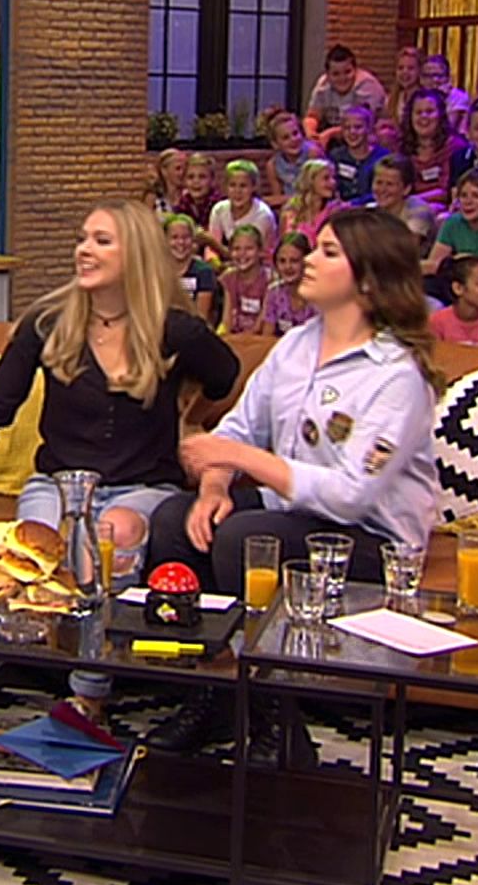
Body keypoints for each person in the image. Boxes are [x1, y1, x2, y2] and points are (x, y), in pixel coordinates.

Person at [0, 200, 240, 721]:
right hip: (56, 483)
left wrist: (188, 416)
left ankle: (88, 696)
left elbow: (225, 378)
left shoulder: (176, 331)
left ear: (137, 254)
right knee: (30, 559)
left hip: (143, 488)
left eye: (102, 241)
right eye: (83, 238)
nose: (84, 250)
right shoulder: (48, 324)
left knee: (111, 537)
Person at [145, 207, 443, 765]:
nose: (308, 260)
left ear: (369, 279)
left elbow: (350, 495)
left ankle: (279, 725)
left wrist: (239, 459)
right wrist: (214, 487)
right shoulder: (298, 344)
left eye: (329, 253)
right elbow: (237, 428)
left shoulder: (396, 376)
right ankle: (210, 691)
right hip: (294, 512)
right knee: (172, 521)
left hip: (373, 538)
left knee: (246, 541)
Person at [303, 44, 388, 149]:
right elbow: (312, 116)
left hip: (367, 137)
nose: (342, 78)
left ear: (356, 70)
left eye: (347, 72)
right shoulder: (322, 86)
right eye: (336, 74)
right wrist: (311, 133)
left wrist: (330, 134)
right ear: (327, 75)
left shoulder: (367, 86)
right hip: (334, 137)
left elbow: (362, 124)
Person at [402, 88, 462, 207]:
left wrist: (409, 200)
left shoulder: (455, 147)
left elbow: (447, 191)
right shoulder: (402, 149)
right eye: (418, 112)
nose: (424, 116)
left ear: (441, 115)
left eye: (429, 111)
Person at [367, 153, 438, 254]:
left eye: (389, 184)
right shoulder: (370, 210)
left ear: (406, 189)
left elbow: (405, 250)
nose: (382, 190)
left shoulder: (419, 211)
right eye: (379, 183)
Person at [207, 158, 276, 257]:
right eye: (232, 185)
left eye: (243, 186)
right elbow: (211, 249)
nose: (237, 191)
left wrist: (213, 243)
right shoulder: (219, 210)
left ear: (254, 187)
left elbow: (255, 255)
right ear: (225, 187)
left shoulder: (263, 215)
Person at [260, 110, 322, 208]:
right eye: (286, 138)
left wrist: (287, 199)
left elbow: (319, 193)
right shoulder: (273, 166)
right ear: (275, 144)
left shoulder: (313, 154)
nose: (293, 139)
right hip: (291, 208)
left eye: (295, 133)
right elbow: (278, 199)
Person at [327, 103, 387, 203]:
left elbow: (384, 191)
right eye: (347, 128)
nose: (352, 132)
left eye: (358, 127)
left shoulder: (382, 157)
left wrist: (353, 204)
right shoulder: (335, 156)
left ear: (369, 129)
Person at [165, 213, 218, 324]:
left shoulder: (204, 272)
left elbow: (201, 317)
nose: (181, 242)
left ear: (193, 240)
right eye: (174, 237)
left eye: (185, 237)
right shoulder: (158, 272)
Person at [259, 232, 315, 336]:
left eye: (294, 261)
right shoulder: (274, 292)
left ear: (306, 262)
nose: (287, 267)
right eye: (282, 261)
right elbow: (267, 336)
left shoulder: (319, 297)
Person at [220, 224, 273, 335]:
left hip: (259, 338)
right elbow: (226, 321)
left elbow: (260, 325)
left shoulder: (270, 280)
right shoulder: (228, 278)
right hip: (234, 336)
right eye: (236, 249)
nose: (242, 254)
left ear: (260, 251)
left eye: (249, 248)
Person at [284, 159, 338, 244]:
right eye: (326, 178)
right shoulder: (291, 210)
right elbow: (285, 244)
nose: (333, 182)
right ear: (311, 181)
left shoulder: (337, 210)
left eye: (334, 177)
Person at [175, 153, 225, 245]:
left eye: (202, 177)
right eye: (190, 177)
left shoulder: (221, 205)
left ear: (212, 180)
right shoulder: (182, 205)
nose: (196, 181)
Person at [420, 53, 471, 129]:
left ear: (448, 77)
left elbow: (448, 127)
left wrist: (440, 97)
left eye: (439, 75)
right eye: (428, 76)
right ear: (421, 79)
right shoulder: (418, 97)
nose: (435, 80)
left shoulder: (459, 97)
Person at [146, 147, 187, 217]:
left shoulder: (188, 197)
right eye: (178, 168)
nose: (182, 172)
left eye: (184, 169)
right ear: (164, 171)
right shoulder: (153, 198)